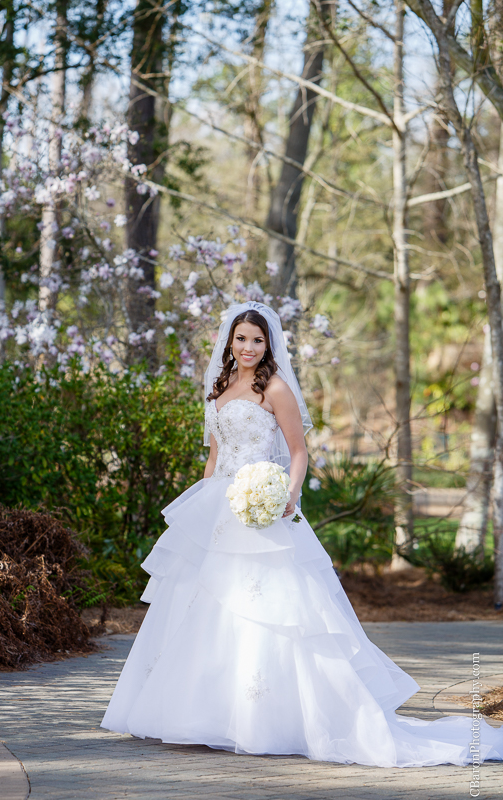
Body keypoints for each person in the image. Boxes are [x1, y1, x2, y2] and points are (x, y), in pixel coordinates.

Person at [101, 300, 503, 767]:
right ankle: (199, 713)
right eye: (241, 339)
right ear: (229, 343)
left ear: (268, 344)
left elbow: (298, 451)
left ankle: (270, 719)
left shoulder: (275, 388)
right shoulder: (217, 388)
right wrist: (205, 502)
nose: (249, 347)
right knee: (200, 604)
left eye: (257, 339)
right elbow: (214, 455)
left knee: (272, 611)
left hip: (264, 508)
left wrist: (285, 497)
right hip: (219, 508)